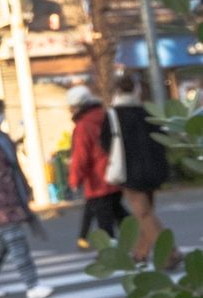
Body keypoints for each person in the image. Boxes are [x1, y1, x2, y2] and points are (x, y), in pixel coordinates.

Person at [0, 92, 44, 298]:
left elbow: (14, 165)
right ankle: (32, 285)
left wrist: (26, 188)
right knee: (17, 241)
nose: (1, 115)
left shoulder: (2, 137)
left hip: (11, 197)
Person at [106, 71, 171, 264]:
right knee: (145, 212)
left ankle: (170, 254)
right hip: (154, 170)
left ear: (116, 91)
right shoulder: (147, 113)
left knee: (143, 214)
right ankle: (140, 252)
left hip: (130, 172)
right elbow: (162, 140)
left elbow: (105, 143)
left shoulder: (112, 116)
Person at [67, 86, 124, 249]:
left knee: (105, 221)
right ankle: (143, 237)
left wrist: (74, 180)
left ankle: (109, 252)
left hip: (97, 179)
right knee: (119, 213)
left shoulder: (83, 126)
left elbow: (81, 156)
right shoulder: (105, 116)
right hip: (115, 172)